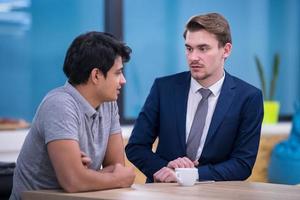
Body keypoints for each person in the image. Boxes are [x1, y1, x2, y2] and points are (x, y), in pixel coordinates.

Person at [125, 13, 264, 183]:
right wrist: (165, 167)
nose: (193, 57)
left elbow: (243, 164)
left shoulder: (248, 98)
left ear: (226, 50)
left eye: (203, 48)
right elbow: (136, 147)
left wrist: (191, 175)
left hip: (216, 195)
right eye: (189, 48)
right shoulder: (164, 88)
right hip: (165, 193)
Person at [10, 32, 135, 200]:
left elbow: (116, 167)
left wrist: (85, 175)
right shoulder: (59, 104)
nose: (123, 81)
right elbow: (73, 181)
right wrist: (111, 178)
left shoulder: (108, 104)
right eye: (117, 73)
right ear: (96, 75)